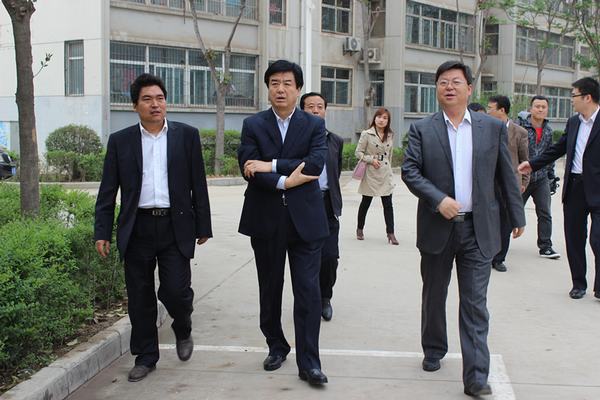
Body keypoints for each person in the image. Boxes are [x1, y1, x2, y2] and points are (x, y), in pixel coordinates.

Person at [401, 61, 525, 397]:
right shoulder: (422, 129)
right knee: (434, 293)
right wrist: (438, 199)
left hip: (477, 229)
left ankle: (476, 377)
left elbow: (506, 174)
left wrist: (517, 215)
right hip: (437, 226)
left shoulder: (492, 128)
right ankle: (433, 348)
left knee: (474, 303)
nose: (449, 87)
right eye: (443, 82)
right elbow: (410, 171)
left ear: (469, 89)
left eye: (456, 82)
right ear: (436, 89)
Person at [94, 73, 212, 382]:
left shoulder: (186, 136)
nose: (155, 104)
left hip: (175, 225)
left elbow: (198, 184)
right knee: (140, 297)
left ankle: (182, 326)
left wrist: (203, 224)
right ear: (135, 106)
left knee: (175, 291)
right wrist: (102, 231)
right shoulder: (120, 141)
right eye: (147, 99)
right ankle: (146, 357)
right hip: (137, 227)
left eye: (160, 98)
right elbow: (108, 190)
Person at [237, 60, 329, 386]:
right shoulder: (253, 124)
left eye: (287, 83)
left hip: (306, 222)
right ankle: (276, 345)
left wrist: (271, 164)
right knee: (270, 288)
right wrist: (284, 181)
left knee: (308, 293)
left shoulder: (313, 125)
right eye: (274, 82)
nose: (280, 89)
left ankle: (310, 363)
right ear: (267, 88)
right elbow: (248, 167)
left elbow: (315, 164)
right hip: (266, 219)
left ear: (298, 88)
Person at [519, 77, 600, 300]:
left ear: (587, 97)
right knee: (574, 238)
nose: (571, 100)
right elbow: (558, 149)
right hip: (574, 187)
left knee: (597, 239)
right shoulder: (574, 122)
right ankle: (578, 284)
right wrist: (532, 164)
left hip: (598, 188)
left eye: (574, 95)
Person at [300, 92, 343, 322]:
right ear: (302, 110)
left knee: (329, 256)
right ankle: (309, 299)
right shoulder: (296, 140)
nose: (316, 110)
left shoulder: (335, 140)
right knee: (305, 258)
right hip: (303, 203)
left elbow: (336, 172)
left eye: (320, 106)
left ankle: (325, 297)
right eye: (310, 107)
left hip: (327, 204)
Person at [487, 95, 530, 272]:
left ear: (502, 110)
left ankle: (499, 258)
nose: (487, 111)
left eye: (490, 108)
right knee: (489, 220)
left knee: (505, 222)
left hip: (509, 183)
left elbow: (524, 160)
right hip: (488, 181)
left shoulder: (519, 132)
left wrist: (524, 182)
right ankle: (486, 254)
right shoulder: (485, 128)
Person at [517, 96, 561, 259]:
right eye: (537, 106)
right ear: (531, 109)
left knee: (544, 213)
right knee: (512, 211)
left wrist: (551, 176)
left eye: (543, 107)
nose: (540, 109)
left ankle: (545, 246)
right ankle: (498, 247)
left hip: (541, 178)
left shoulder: (548, 131)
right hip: (522, 177)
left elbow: (550, 155)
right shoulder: (520, 127)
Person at [355, 108, 398, 245]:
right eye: (379, 117)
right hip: (371, 171)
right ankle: (360, 229)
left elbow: (389, 155)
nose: (381, 120)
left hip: (385, 172)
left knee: (388, 204)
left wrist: (389, 170)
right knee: (366, 202)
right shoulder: (367, 134)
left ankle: (391, 233)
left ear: (388, 121)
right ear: (374, 118)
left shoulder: (390, 134)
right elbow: (358, 152)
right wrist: (370, 160)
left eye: (385, 118)